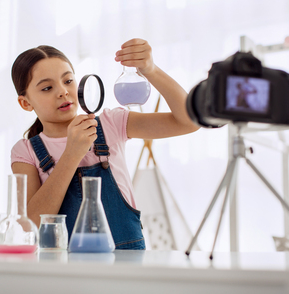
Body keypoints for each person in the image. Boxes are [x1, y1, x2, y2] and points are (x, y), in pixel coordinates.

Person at [10, 38, 199, 250]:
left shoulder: (111, 124)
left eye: (68, 81)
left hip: (126, 265)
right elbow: (31, 226)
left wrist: (150, 70)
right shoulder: (25, 151)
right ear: (26, 102)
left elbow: (189, 121)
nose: (63, 91)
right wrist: (71, 154)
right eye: (47, 88)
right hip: (64, 270)